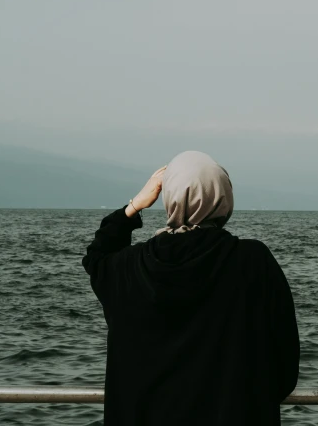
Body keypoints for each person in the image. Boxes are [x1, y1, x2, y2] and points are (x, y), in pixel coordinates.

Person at [82, 151, 300, 426]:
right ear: (224, 196)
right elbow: (284, 356)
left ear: (167, 196)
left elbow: (97, 257)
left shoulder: (130, 267)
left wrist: (135, 205)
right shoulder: (253, 262)